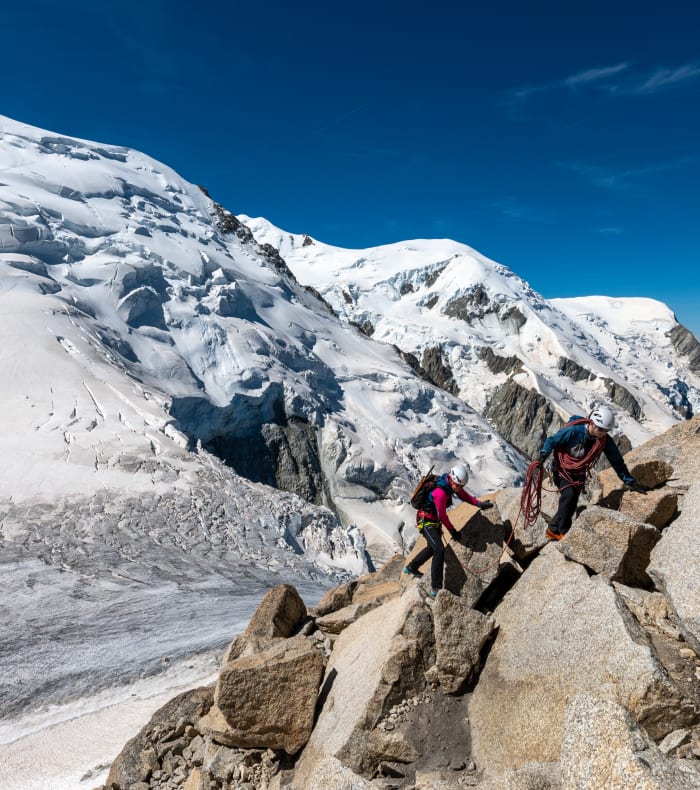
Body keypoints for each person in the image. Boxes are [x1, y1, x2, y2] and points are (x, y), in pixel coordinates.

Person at [536, 405, 648, 541]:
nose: (602, 433)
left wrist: (630, 481)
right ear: (592, 423)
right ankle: (564, 532)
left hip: (579, 473)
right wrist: (543, 455)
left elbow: (617, 461)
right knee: (569, 495)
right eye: (601, 429)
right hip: (562, 469)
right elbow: (552, 441)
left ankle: (553, 530)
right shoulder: (574, 431)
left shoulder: (604, 441)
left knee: (571, 501)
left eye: (606, 430)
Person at [404, 463, 494, 596]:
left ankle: (411, 567)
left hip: (432, 521)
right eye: (459, 486)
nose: (459, 489)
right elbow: (442, 516)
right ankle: (436, 587)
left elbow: (464, 495)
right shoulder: (440, 493)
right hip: (426, 521)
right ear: (454, 482)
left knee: (432, 547)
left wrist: (479, 504)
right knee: (439, 549)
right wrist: (452, 530)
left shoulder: (449, 484)